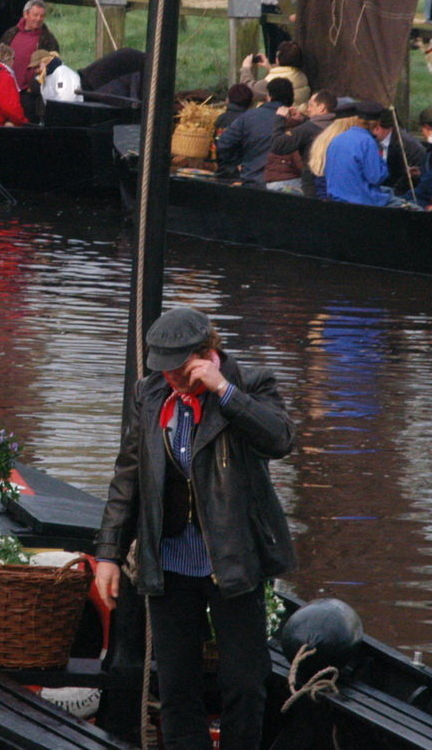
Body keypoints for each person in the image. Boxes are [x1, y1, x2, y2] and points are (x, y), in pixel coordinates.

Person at [92, 307, 295, 750]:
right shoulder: (148, 394)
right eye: (164, 369)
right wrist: (108, 553)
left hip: (232, 559)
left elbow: (280, 440)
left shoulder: (249, 384)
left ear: (206, 353)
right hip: (170, 560)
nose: (172, 378)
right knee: (177, 687)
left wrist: (224, 391)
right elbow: (128, 477)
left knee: (245, 682)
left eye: (180, 369)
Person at [217, 78, 290, 184]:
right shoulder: (298, 121)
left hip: (251, 179)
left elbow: (223, 143)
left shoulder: (249, 116)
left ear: (269, 97)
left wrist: (238, 164)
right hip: (284, 184)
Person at [3, 0, 61, 95]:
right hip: (7, 88)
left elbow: (54, 65)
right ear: (25, 14)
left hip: (31, 92)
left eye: (42, 16)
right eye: (35, 15)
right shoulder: (10, 34)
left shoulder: (48, 40)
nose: (38, 19)